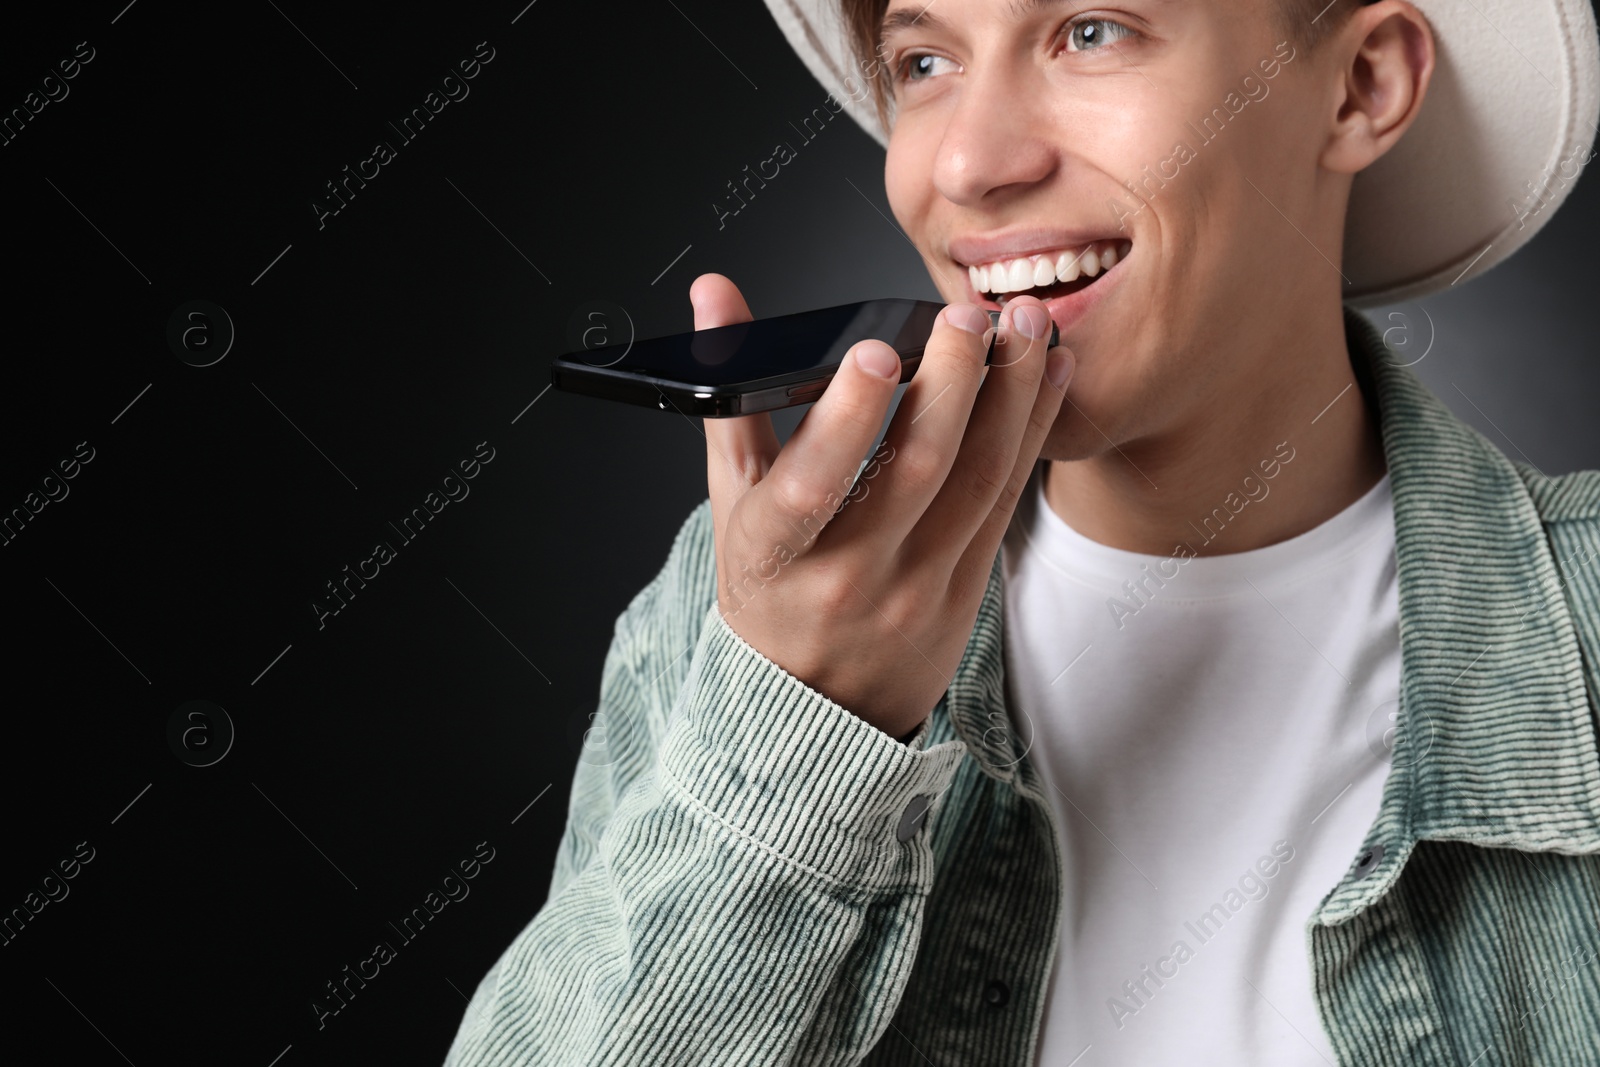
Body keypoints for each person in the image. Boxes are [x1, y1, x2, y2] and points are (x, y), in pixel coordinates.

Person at [445, 0, 1600, 1062]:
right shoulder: (737, 610)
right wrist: (797, 728)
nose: (968, 164)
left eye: (1091, 30)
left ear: (1358, 84)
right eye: (924, 60)